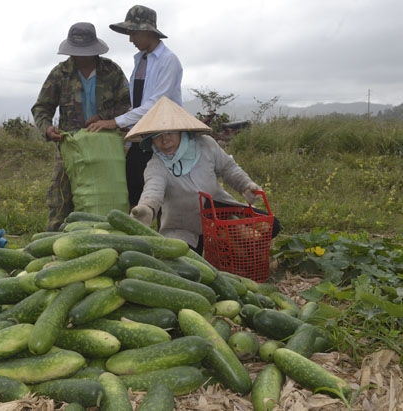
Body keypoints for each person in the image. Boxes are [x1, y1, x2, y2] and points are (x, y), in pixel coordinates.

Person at [127, 96, 282, 254]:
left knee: (271, 225)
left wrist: (246, 185)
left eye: (169, 133)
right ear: (150, 141)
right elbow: (153, 189)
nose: (164, 141)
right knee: (187, 262)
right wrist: (147, 208)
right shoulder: (156, 164)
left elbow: (228, 168)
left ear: (181, 130)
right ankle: (215, 246)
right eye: (156, 136)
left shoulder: (206, 144)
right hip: (183, 226)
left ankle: (223, 244)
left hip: (219, 209)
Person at [31, 22, 130, 231]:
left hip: (106, 146)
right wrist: (48, 129)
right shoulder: (60, 73)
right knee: (59, 197)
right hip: (71, 146)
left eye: (86, 51)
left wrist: (103, 117)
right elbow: (42, 107)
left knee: (111, 196)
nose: (82, 56)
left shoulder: (112, 71)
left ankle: (111, 238)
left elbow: (126, 105)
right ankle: (53, 244)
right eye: (77, 52)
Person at [87, 5, 183, 208]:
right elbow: (136, 103)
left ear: (148, 31)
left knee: (164, 196)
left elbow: (156, 104)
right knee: (135, 189)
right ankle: (139, 234)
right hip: (141, 136)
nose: (131, 39)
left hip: (164, 137)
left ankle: (164, 235)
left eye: (134, 33)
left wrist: (114, 122)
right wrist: (111, 118)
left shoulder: (168, 61)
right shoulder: (141, 61)